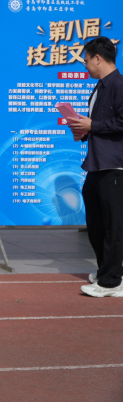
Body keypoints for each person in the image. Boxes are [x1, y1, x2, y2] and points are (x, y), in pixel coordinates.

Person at [67, 36, 123, 297]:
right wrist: (84, 130)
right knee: (96, 222)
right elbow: (100, 124)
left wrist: (93, 125)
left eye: (86, 60)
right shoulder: (99, 87)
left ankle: (112, 282)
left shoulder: (119, 85)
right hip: (97, 163)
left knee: (113, 225)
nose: (86, 65)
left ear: (98, 58)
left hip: (115, 165)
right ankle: (106, 270)